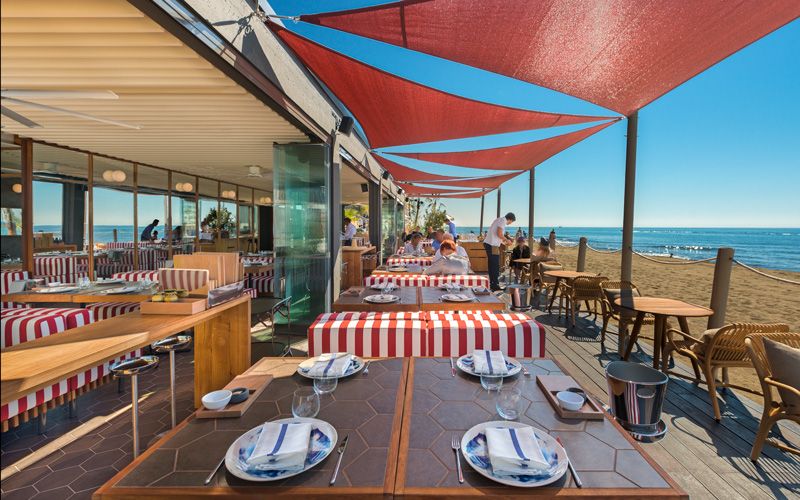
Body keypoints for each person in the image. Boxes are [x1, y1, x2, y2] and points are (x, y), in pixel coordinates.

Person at [484, 212, 515, 291]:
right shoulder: (502, 221)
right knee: (495, 265)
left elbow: (496, 235)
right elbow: (499, 233)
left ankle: (493, 284)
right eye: (511, 222)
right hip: (492, 245)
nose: (510, 223)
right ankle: (495, 284)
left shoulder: (499, 220)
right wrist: (507, 240)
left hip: (490, 244)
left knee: (492, 265)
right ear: (510, 219)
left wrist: (504, 241)